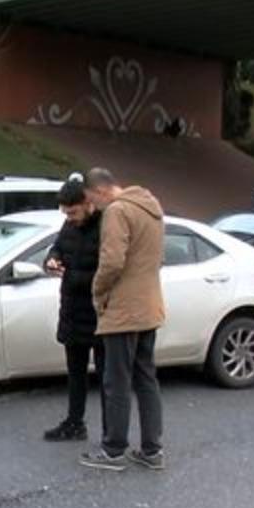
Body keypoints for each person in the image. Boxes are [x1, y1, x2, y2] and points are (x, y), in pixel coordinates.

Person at [80, 168, 166, 471]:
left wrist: (98, 290)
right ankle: (152, 449)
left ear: (100, 191)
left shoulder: (117, 211)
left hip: (123, 309)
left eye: (91, 199)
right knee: (146, 379)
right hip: (149, 306)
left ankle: (114, 449)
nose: (93, 207)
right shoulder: (151, 208)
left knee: (116, 381)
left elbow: (113, 260)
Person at [42, 176, 105, 442]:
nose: (70, 217)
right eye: (65, 213)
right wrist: (52, 260)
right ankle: (74, 423)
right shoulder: (68, 225)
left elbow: (109, 271)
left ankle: (111, 433)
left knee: (107, 378)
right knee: (76, 374)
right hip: (72, 311)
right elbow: (57, 247)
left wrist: (73, 277)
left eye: (74, 212)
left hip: (100, 315)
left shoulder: (106, 225)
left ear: (88, 203)